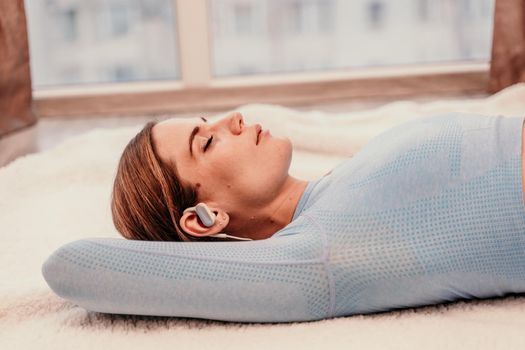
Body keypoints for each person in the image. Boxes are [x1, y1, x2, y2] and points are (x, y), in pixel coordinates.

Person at [103, 110, 525, 322]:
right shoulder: (315, 255)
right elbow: (73, 266)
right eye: (207, 142)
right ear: (204, 217)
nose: (233, 117)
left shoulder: (329, 192)